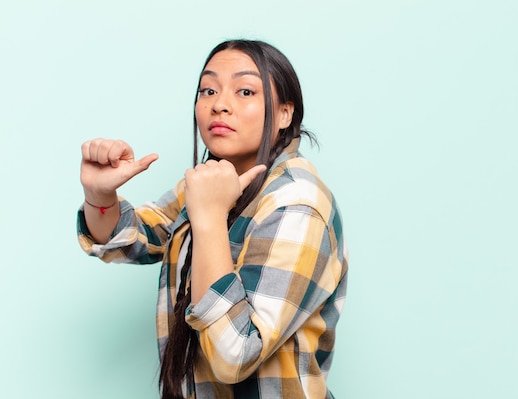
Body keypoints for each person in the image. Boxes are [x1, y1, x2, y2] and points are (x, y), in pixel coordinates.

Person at [76, 39, 349, 399]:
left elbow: (234, 354)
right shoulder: (212, 180)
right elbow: (134, 238)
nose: (219, 104)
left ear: (284, 113)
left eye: (245, 90)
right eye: (208, 90)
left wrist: (209, 220)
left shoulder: (296, 204)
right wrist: (99, 197)